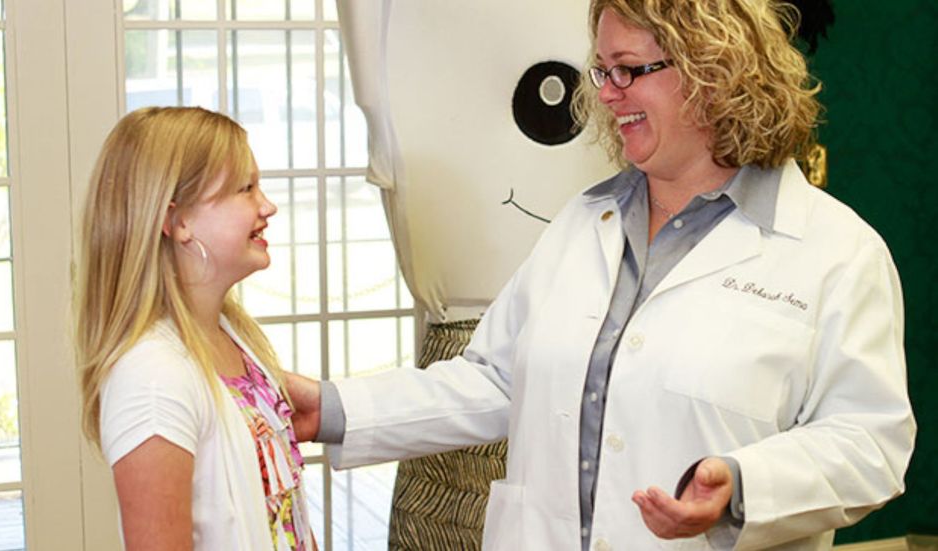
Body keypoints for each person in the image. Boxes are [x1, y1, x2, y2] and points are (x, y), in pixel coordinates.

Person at [285, 0, 916, 549]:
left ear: (715, 71)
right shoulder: (584, 222)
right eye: (602, 71)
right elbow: (496, 381)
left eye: (628, 70)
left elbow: (869, 442)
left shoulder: (835, 252)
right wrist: (333, 409)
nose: (605, 94)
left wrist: (745, 484)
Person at [76, 106, 315, 551]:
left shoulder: (234, 340)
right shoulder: (151, 376)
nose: (267, 206)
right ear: (178, 221)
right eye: (245, 188)